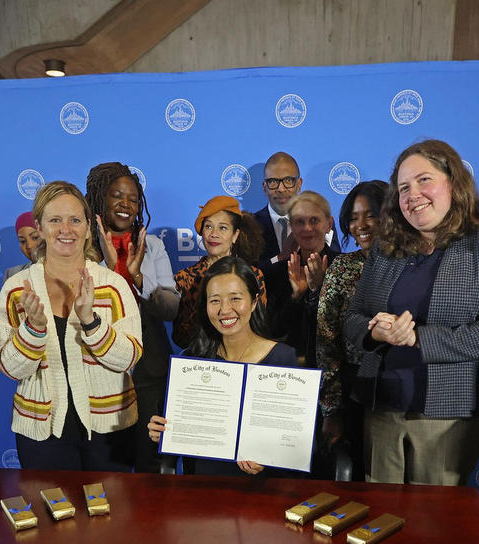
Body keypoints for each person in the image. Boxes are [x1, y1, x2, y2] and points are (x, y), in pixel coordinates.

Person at [0, 181, 143, 544]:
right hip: (44, 428)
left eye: (74, 219)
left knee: (108, 516)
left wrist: (93, 322)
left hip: (108, 425)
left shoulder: (113, 285)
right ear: (37, 228)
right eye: (54, 219)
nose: (65, 229)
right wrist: (34, 330)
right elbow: (7, 365)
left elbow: (130, 357)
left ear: (87, 227)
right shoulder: (17, 289)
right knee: (54, 519)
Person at [148, 257, 295, 544]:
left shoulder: (284, 358)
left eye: (235, 298)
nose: (224, 308)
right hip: (208, 486)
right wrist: (163, 430)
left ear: (254, 301)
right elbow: (185, 440)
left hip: (264, 491)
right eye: (215, 300)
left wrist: (267, 460)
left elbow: (293, 449)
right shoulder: (194, 362)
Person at [343, 139, 479, 486]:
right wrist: (373, 331)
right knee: (378, 524)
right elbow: (352, 318)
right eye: (404, 187)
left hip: (448, 416)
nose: (413, 194)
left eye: (424, 180)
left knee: (432, 528)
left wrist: (417, 337)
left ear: (453, 182)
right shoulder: (386, 247)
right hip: (381, 409)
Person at [85, 161, 179, 473]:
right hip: (99, 370)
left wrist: (138, 277)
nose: (126, 205)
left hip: (149, 367)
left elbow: (171, 308)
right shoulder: (83, 248)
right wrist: (112, 272)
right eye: (117, 196)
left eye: (133, 198)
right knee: (106, 465)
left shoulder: (151, 245)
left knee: (148, 460)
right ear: (100, 199)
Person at [316, 180, 388, 479]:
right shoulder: (342, 267)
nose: (361, 225)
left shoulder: (413, 265)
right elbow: (326, 338)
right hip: (353, 387)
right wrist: (331, 408)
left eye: (370, 215)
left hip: (400, 386)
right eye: (353, 217)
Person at [171, 195, 265, 349]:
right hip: (200, 360)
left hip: (244, 358)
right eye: (208, 226)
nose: (214, 234)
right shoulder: (185, 278)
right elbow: (180, 337)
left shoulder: (253, 275)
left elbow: (259, 327)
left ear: (235, 235)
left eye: (222, 227)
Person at [264, 190, 341, 362]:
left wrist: (321, 289)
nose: (307, 228)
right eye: (299, 222)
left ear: (329, 224)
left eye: (314, 220)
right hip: (288, 370)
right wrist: (296, 296)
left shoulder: (344, 267)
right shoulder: (275, 273)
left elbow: (346, 328)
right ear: (291, 226)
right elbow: (273, 331)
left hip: (334, 368)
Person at [5, 211, 42, 280]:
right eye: (23, 241)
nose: (29, 246)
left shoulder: (66, 270)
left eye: (35, 237)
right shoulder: (13, 274)